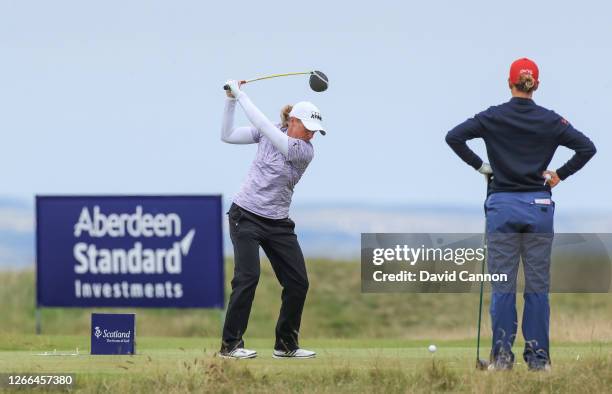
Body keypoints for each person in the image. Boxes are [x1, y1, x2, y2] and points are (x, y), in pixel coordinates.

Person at [445, 58, 596, 371]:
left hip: (502, 207)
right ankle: (539, 362)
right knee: (537, 288)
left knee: (503, 286)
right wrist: (559, 175)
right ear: (536, 84)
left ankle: (501, 360)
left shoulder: (492, 116)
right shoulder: (551, 121)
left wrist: (482, 166)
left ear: (509, 82)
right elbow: (586, 147)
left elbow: (454, 137)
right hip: (539, 207)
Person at [218, 80, 326, 359]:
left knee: (298, 282)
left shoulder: (303, 151)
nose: (312, 136)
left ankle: (286, 345)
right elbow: (227, 135)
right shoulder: (271, 133)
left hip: (277, 222)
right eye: (309, 129)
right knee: (247, 277)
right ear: (293, 121)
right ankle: (230, 346)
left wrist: (241, 95)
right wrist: (230, 100)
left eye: (315, 132)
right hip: (246, 215)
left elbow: (265, 127)